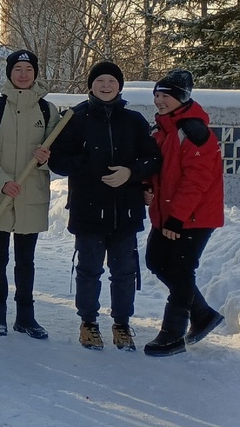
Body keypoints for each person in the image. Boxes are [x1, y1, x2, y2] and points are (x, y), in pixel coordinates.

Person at [49, 61, 161, 351]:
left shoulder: (134, 121)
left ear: (120, 86)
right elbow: (57, 160)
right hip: (88, 209)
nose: (106, 86)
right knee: (89, 269)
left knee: (124, 271)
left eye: (112, 81)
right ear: (91, 86)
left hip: (125, 210)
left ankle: (122, 324)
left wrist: (130, 173)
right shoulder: (75, 118)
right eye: (101, 81)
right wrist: (89, 164)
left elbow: (152, 159)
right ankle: (88, 322)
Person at [0, 49, 60, 339]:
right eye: (18, 69)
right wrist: (1, 181)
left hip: (30, 195)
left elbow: (59, 152)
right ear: (10, 73)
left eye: (29, 69)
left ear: (35, 73)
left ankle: (26, 316)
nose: (23, 74)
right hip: (0, 193)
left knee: (26, 259)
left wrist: (48, 158)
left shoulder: (48, 111)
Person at [142, 69, 225, 357]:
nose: (160, 101)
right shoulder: (163, 129)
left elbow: (196, 180)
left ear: (181, 98)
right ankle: (201, 314)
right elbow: (160, 170)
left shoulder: (194, 131)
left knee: (180, 269)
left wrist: (176, 217)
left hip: (193, 217)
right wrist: (146, 187)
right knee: (156, 260)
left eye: (166, 95)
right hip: (169, 214)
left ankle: (172, 335)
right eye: (157, 95)